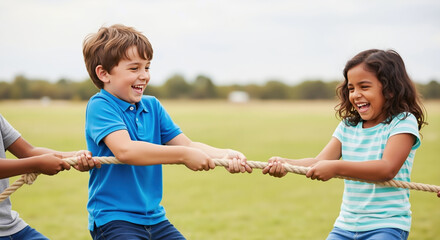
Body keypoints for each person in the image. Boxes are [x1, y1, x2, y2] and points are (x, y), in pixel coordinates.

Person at [82, 24, 252, 240]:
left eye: (147, 67)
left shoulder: (152, 106)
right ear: (103, 73)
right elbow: (126, 150)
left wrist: (224, 154)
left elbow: (187, 145)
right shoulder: (101, 105)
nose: (144, 76)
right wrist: (183, 156)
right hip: (115, 219)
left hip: (155, 219)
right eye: (134, 69)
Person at [263, 49, 427, 240]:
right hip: (345, 226)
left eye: (364, 87)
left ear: (390, 90)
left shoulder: (403, 122)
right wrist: (286, 164)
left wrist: (336, 167)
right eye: (351, 88)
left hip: (386, 226)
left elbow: (387, 169)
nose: (356, 95)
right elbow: (319, 161)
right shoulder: (348, 126)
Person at [0, 113, 99, 239]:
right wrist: (37, 164)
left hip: (10, 225)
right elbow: (34, 159)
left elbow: (28, 151)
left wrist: (73, 157)